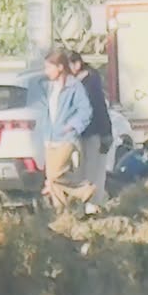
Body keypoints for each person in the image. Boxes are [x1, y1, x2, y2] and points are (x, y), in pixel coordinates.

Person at [41, 45, 90, 212]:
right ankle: (62, 216)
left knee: (55, 176)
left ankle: (84, 190)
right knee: (53, 182)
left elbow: (86, 111)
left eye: (49, 67)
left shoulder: (74, 86)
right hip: (50, 138)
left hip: (66, 138)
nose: (46, 71)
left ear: (60, 67)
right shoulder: (48, 88)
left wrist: (73, 126)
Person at [70, 49, 113, 210]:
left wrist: (105, 133)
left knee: (92, 169)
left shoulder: (89, 81)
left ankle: (92, 204)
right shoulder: (82, 80)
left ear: (77, 64)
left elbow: (98, 107)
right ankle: (86, 204)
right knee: (82, 170)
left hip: (92, 130)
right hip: (79, 133)